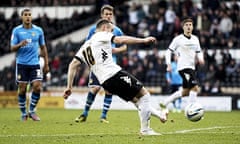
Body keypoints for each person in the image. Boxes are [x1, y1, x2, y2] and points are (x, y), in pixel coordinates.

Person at [63, 19, 168, 135]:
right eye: (111, 30)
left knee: (137, 101)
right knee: (145, 95)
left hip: (105, 82)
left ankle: (159, 114)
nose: (112, 32)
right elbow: (120, 39)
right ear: (104, 28)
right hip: (113, 74)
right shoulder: (101, 34)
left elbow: (72, 65)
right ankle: (145, 130)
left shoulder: (85, 46)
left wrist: (69, 87)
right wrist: (143, 40)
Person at [75, 4, 127, 123]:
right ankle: (85, 113)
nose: (108, 16)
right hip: (97, 65)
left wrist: (116, 50)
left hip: (110, 65)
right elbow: (87, 45)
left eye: (110, 14)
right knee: (95, 89)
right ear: (101, 15)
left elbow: (124, 46)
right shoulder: (93, 29)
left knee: (109, 90)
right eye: (106, 14)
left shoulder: (117, 30)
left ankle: (103, 116)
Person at [10, 8, 49, 121]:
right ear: (22, 17)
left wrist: (46, 63)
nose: (28, 17)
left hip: (34, 64)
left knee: (37, 87)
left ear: (32, 17)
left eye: (29, 15)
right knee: (22, 89)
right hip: (22, 64)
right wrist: (19, 45)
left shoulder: (38, 31)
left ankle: (32, 111)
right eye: (25, 15)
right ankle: (23, 113)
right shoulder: (17, 31)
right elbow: (12, 48)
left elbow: (43, 47)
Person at [160, 17, 205, 110]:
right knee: (195, 88)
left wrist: (201, 58)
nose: (188, 27)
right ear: (183, 27)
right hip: (183, 67)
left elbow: (199, 51)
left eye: (190, 25)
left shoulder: (195, 39)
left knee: (186, 92)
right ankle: (192, 110)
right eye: (186, 25)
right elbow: (168, 51)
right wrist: (168, 64)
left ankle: (166, 102)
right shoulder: (178, 39)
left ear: (192, 27)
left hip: (192, 68)